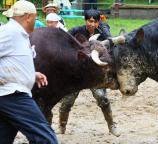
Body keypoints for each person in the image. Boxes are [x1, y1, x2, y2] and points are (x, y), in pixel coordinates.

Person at [0, 1, 58, 143]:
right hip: (13, 96)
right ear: (28, 17)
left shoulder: (19, 33)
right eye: (35, 17)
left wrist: (31, 75)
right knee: (46, 139)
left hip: (9, 95)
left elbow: (12, 60)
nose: (36, 20)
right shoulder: (10, 32)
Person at [59, 9, 120, 137]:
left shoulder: (103, 34)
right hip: (76, 71)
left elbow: (110, 46)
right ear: (85, 20)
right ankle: (62, 126)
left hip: (94, 72)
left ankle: (111, 125)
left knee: (102, 98)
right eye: (89, 21)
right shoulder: (76, 31)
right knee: (67, 101)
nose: (91, 24)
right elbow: (64, 42)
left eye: (94, 21)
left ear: (98, 22)